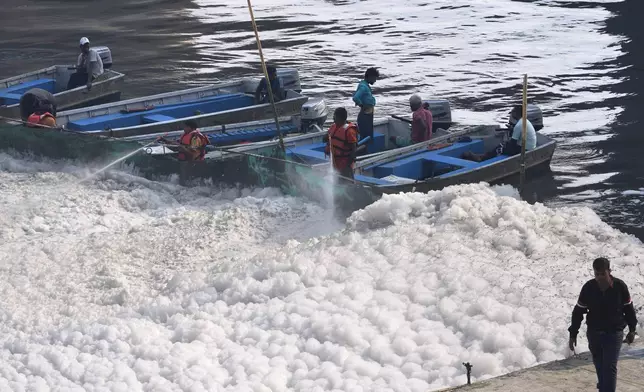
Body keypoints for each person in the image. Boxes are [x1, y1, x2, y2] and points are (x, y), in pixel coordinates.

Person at [568, 257, 637, 392]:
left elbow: (628, 308)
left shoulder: (620, 286)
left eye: (602, 274)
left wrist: (632, 329)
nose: (599, 277)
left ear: (609, 271)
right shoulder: (589, 288)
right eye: (596, 274)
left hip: (614, 332)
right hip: (594, 333)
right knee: (600, 365)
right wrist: (573, 333)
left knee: (610, 366)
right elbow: (578, 312)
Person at [461, 104, 537, 162]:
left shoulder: (519, 125)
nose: (512, 115)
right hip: (530, 147)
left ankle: (481, 158)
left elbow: (513, 143)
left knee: (500, 147)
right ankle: (484, 156)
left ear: (516, 113)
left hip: (524, 150)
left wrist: (505, 146)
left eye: (513, 113)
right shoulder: (525, 121)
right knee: (504, 145)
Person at [324, 107, 358, 180]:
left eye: (334, 116)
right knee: (336, 182)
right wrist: (326, 137)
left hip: (345, 163)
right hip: (334, 162)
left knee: (347, 183)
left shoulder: (349, 131)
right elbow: (326, 138)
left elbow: (354, 149)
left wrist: (347, 166)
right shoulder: (333, 126)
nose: (333, 118)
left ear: (340, 118)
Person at [352, 67, 379, 141]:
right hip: (365, 116)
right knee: (366, 137)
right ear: (370, 76)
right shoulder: (363, 87)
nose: (375, 80)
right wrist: (362, 105)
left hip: (368, 115)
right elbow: (355, 97)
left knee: (367, 136)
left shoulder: (365, 85)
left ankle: (366, 151)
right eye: (375, 78)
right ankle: (364, 151)